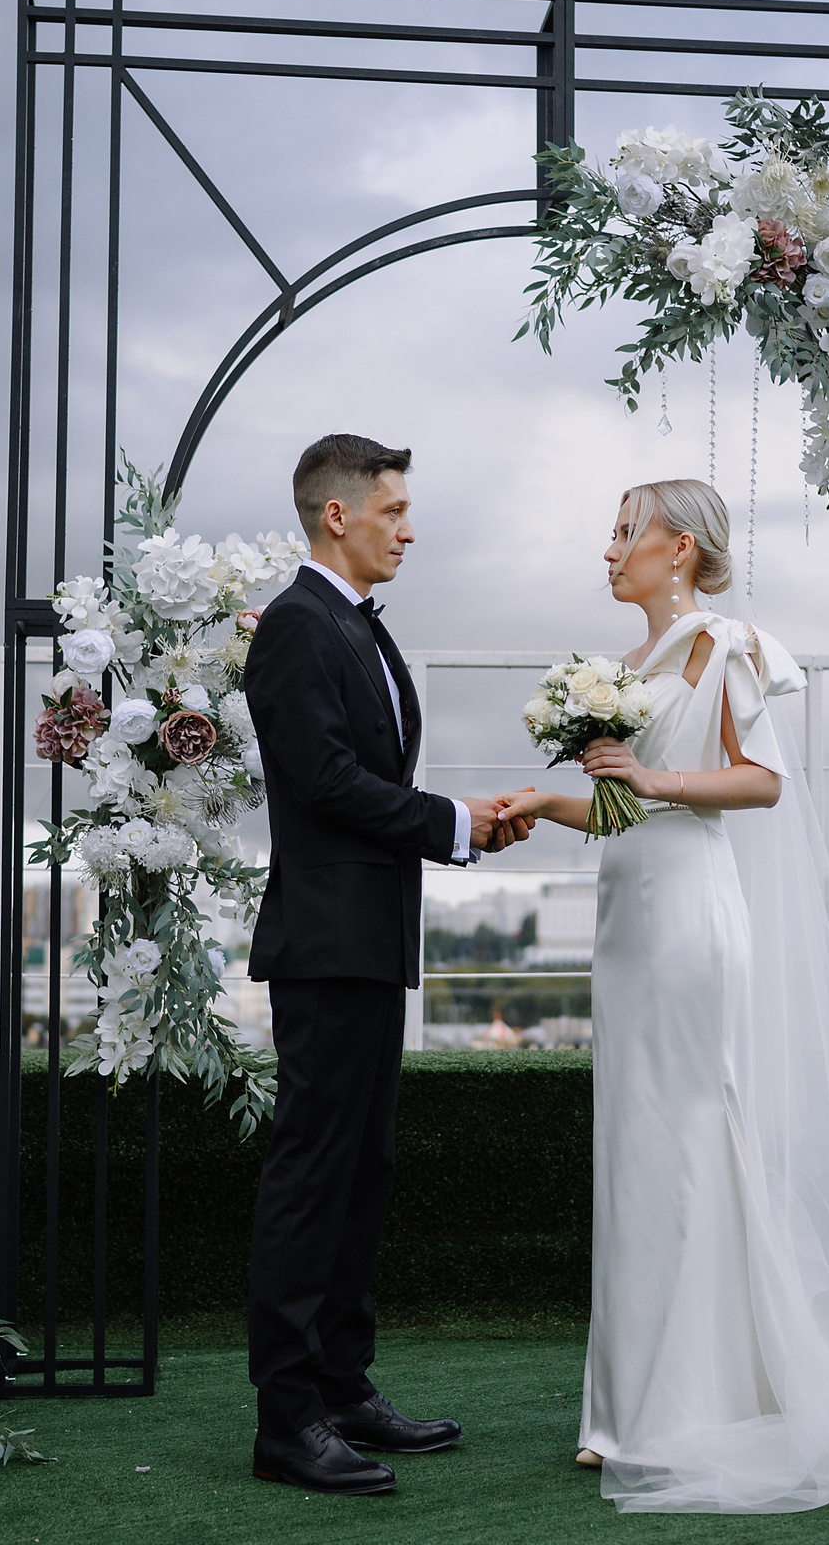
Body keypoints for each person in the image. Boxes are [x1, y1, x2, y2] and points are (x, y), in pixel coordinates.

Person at [499, 478, 829, 1515]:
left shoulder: (724, 645)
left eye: (623, 532)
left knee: (686, 1139)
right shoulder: (627, 668)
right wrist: (546, 803)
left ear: (678, 547)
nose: (608, 550)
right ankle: (626, 1409)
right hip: (629, 918)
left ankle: (686, 1408)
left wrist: (652, 780)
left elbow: (757, 780)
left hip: (688, 918)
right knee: (636, 1147)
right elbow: (624, 811)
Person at [241, 434, 532, 1496]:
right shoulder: (295, 626)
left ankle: (342, 1387)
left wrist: (458, 821)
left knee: (362, 1170)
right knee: (313, 1175)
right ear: (338, 515)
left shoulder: (354, 625)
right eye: (394, 511)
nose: (409, 530)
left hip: (367, 940)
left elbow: (365, 776)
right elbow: (322, 781)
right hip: (324, 945)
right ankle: (287, 1421)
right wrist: (453, 821)